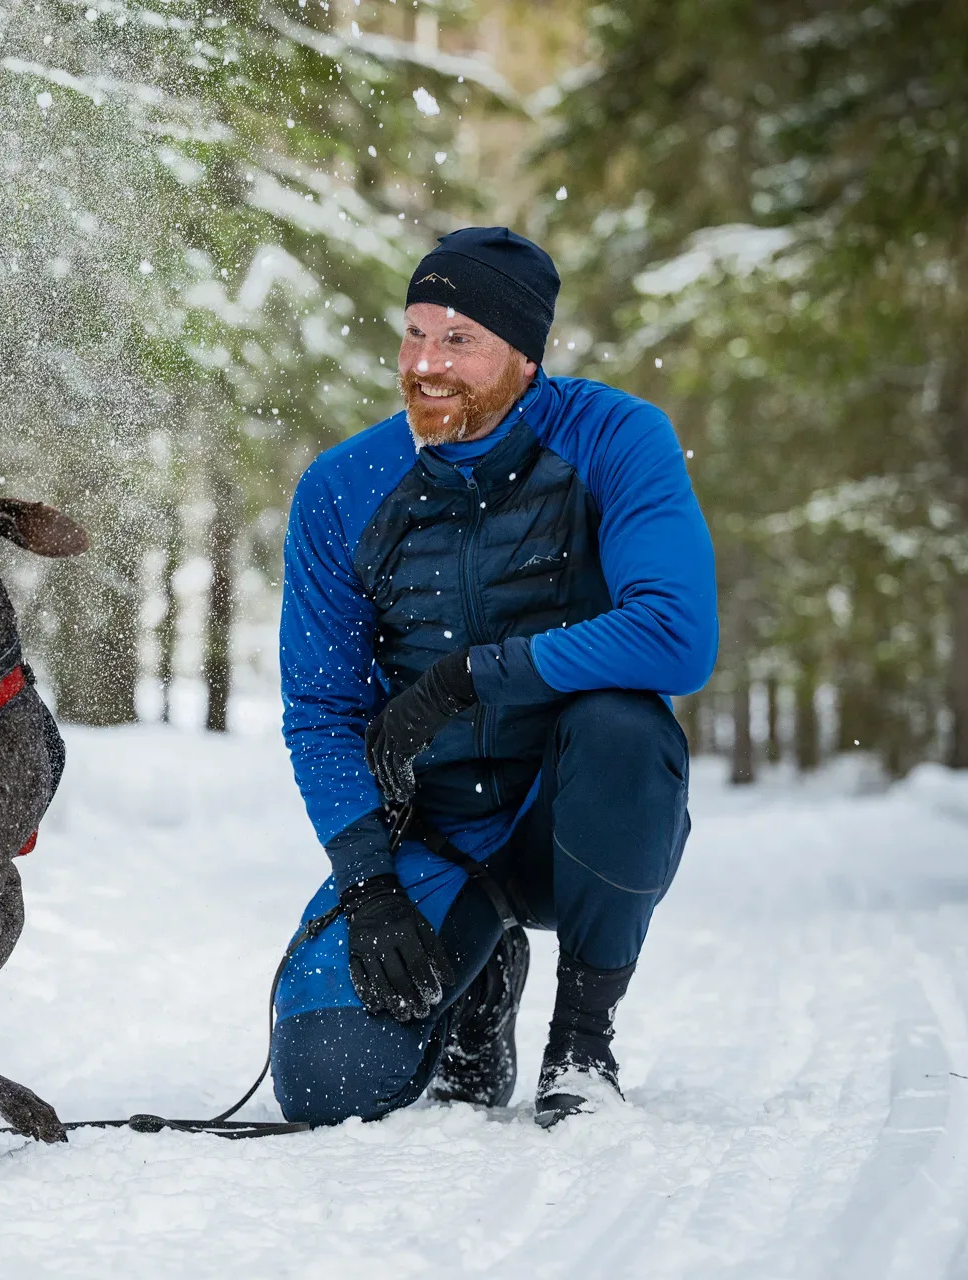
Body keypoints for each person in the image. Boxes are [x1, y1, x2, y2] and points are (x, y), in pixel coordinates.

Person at [271, 226, 717, 1128]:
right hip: (436, 833)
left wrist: (476, 675)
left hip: (574, 815)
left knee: (623, 727)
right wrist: (369, 885)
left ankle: (582, 1045)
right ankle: (480, 986)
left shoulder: (614, 438)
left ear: (525, 355)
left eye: (459, 340)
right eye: (414, 333)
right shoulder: (342, 486)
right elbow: (320, 709)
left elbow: (676, 636)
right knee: (325, 1085)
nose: (426, 364)